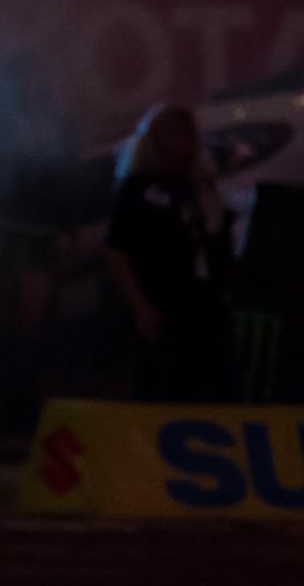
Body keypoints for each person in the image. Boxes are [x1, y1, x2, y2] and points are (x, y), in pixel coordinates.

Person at [103, 103, 240, 402]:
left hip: (204, 302)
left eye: (186, 133)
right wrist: (139, 304)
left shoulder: (199, 186)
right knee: (161, 386)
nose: (180, 141)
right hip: (161, 302)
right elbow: (117, 249)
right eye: (171, 132)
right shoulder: (138, 188)